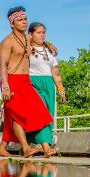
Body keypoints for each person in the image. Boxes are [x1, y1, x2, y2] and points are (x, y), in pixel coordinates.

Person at [0, 6, 53, 158]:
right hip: (11, 81)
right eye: (20, 20)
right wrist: (5, 87)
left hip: (25, 81)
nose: (24, 22)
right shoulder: (7, 42)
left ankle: (3, 148)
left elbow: (39, 40)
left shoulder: (27, 38)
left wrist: (49, 44)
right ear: (12, 23)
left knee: (38, 111)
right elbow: (2, 65)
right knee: (18, 115)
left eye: (25, 19)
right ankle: (25, 147)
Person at [26, 22, 66, 157]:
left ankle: (25, 145)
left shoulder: (50, 51)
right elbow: (22, 39)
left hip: (49, 84)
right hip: (33, 83)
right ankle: (46, 148)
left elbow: (55, 72)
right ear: (31, 34)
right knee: (40, 114)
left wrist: (61, 89)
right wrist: (47, 42)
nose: (42, 35)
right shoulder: (27, 48)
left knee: (48, 116)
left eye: (44, 32)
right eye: (39, 32)